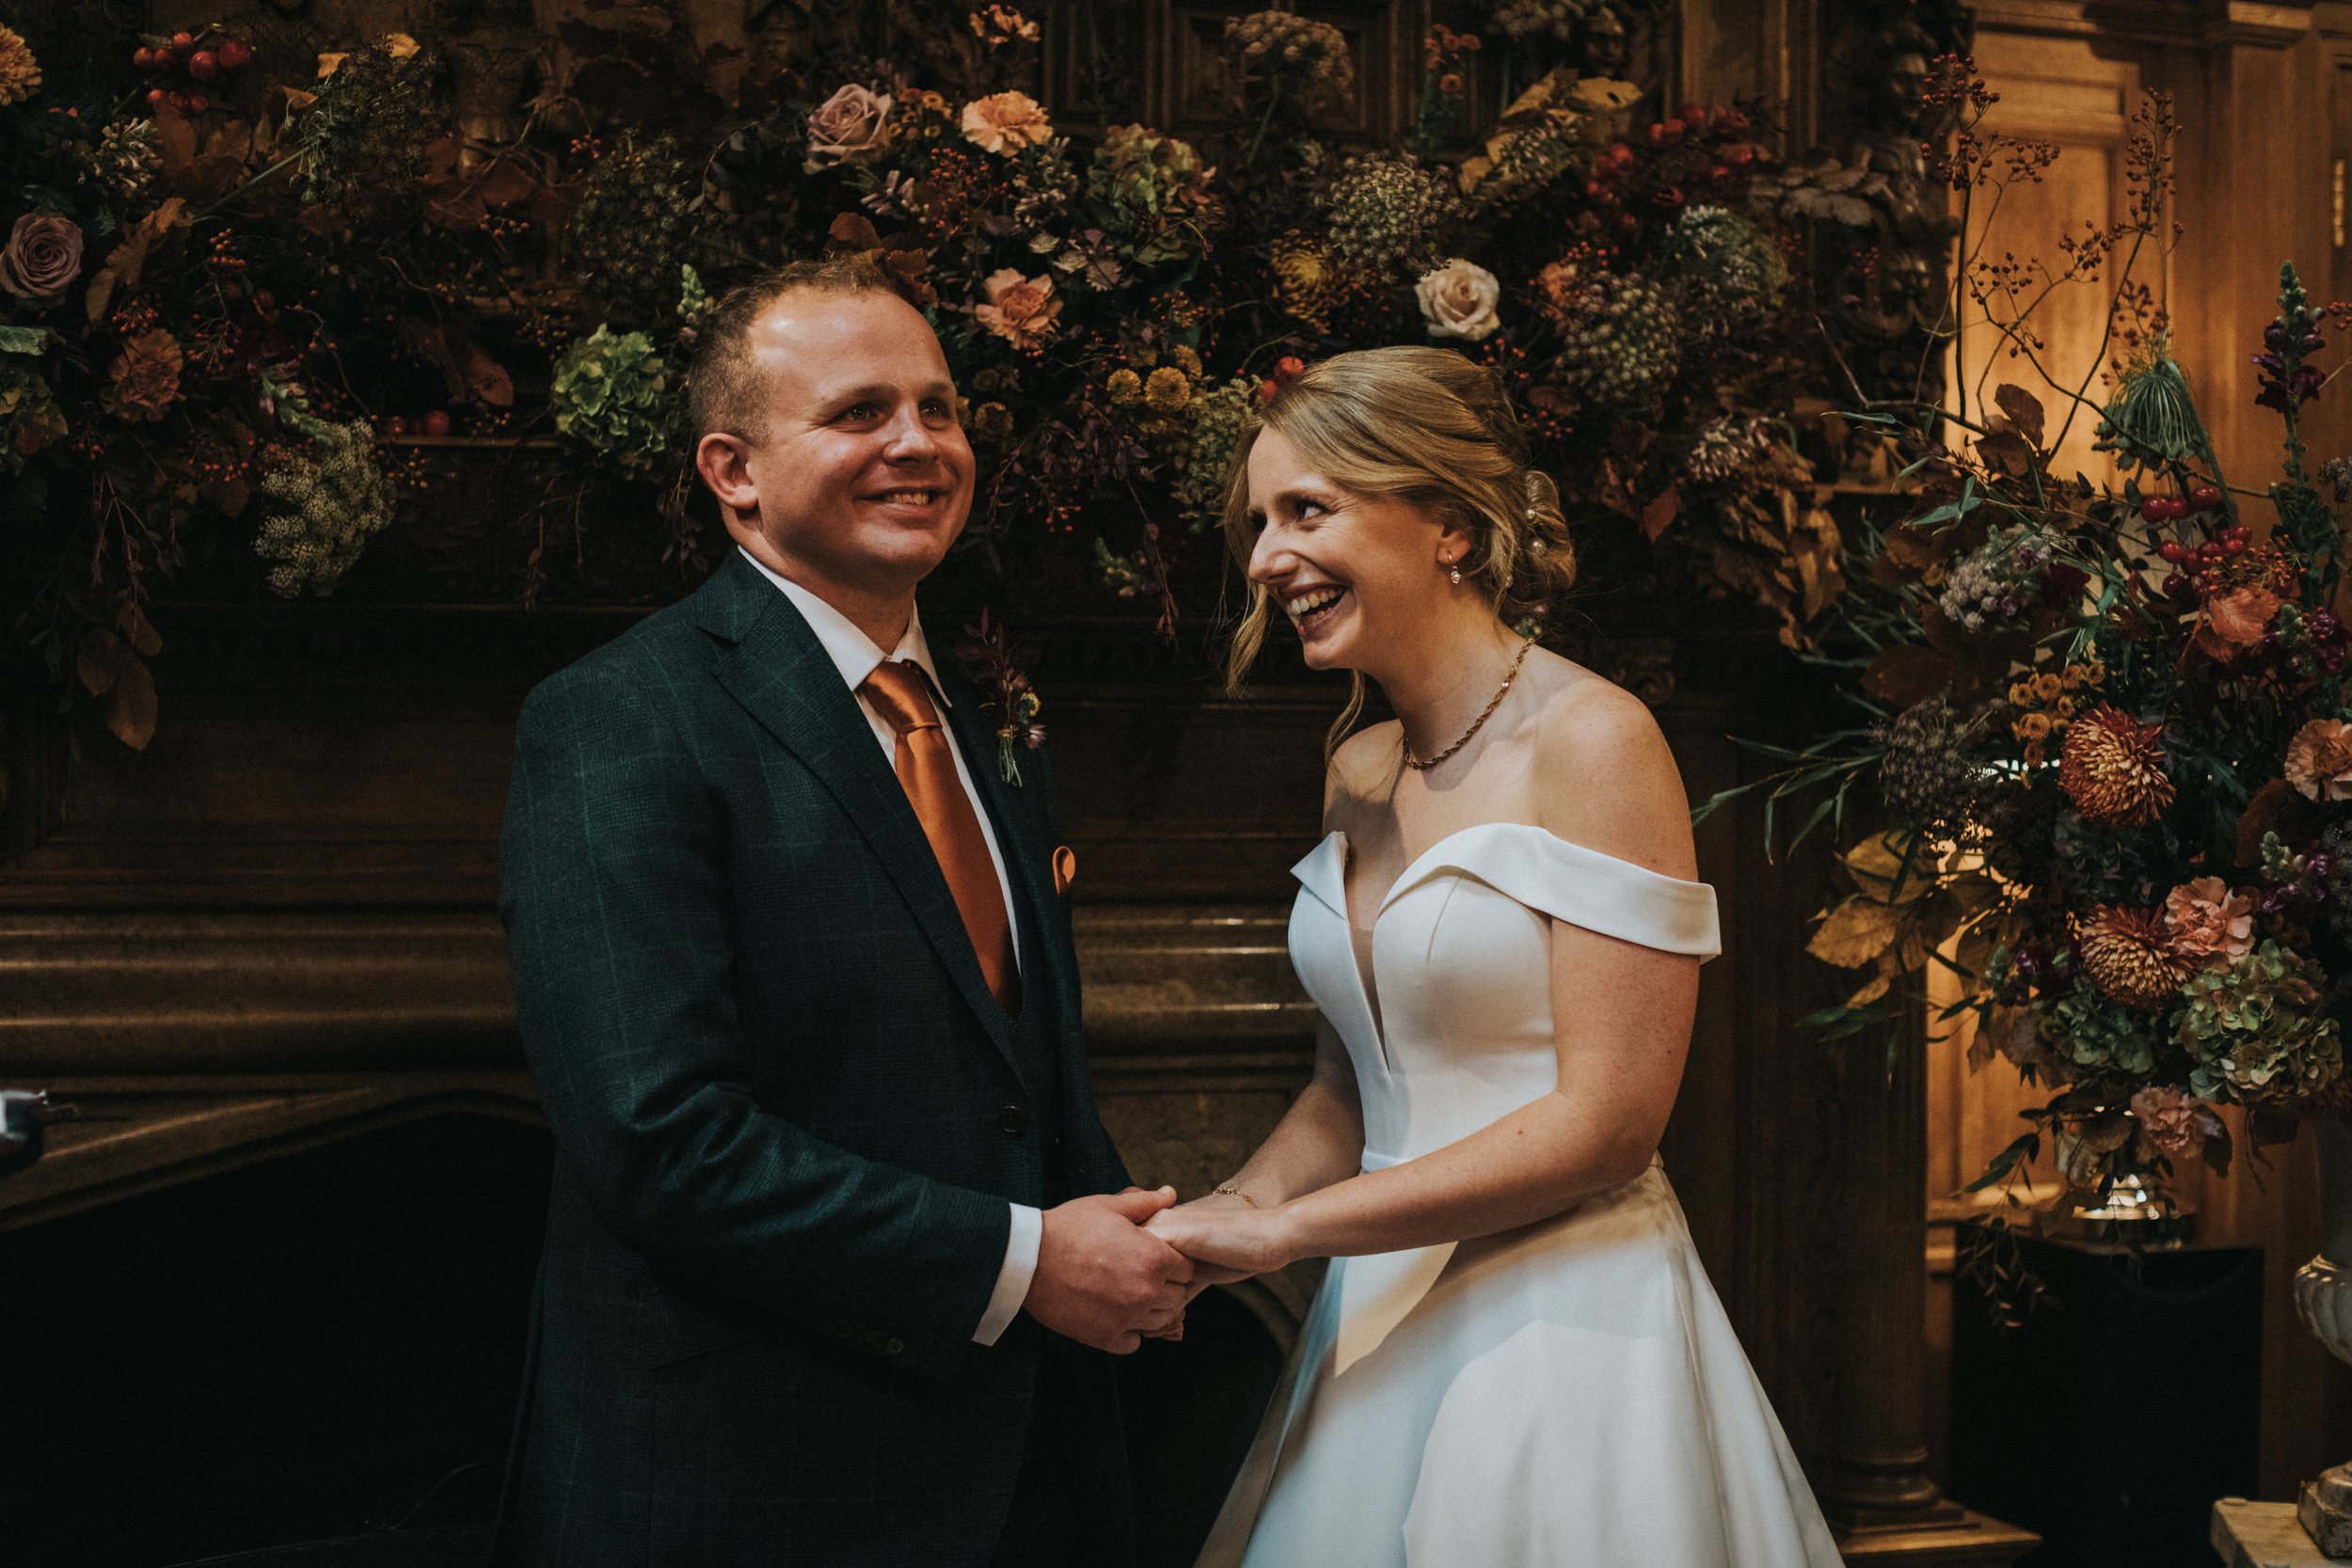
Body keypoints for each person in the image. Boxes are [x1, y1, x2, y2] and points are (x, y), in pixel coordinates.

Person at [491, 255, 1194, 1568]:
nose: (919, 445)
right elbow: (663, 1145)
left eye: (940, 407)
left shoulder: (984, 727)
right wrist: (1025, 1263)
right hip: (745, 1476)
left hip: (1018, 1465)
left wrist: (1141, 1244)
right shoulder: (620, 720)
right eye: (860, 412)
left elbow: (1017, 1086)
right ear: (732, 471)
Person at [1147, 346, 1843, 1567]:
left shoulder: (1597, 742)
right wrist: (1226, 1215)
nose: (1264, 559)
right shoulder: (1357, 769)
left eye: (1306, 511)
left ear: (1452, 528)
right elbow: (1347, 1087)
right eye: (1260, 521)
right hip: (1378, 1315)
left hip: (1564, 1332)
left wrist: (1296, 1236)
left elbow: (1609, 1126)